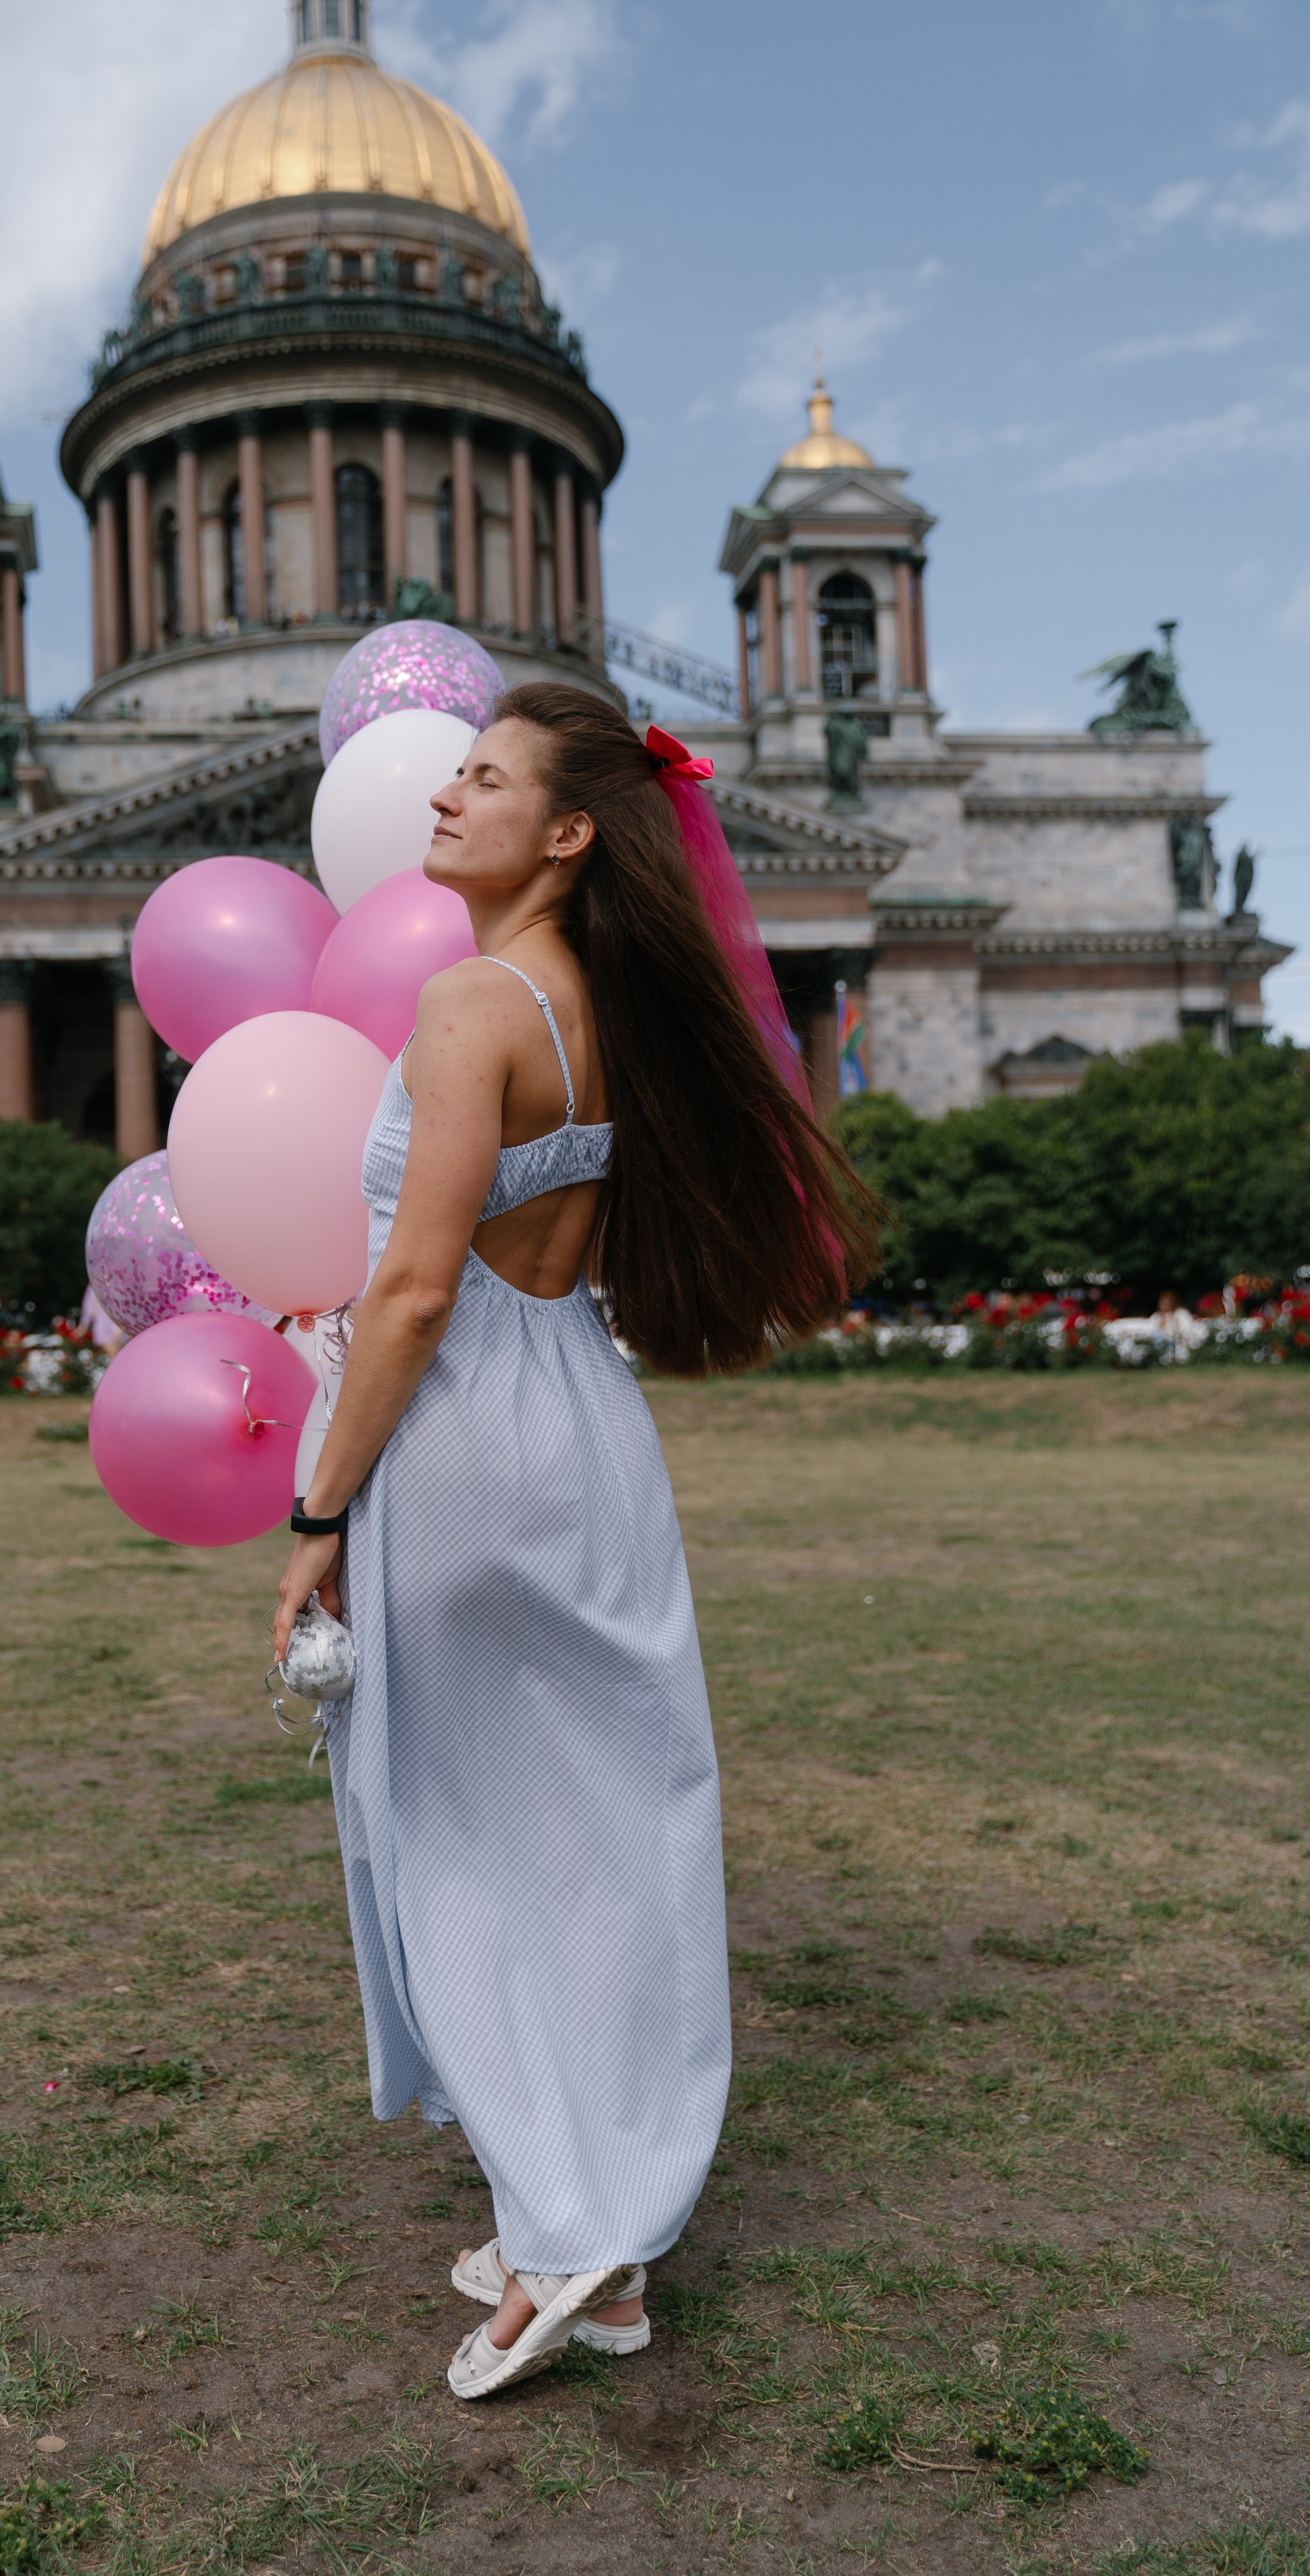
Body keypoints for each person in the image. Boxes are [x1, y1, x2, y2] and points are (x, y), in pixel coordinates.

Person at [274, 684, 878, 2400]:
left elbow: (412, 1292)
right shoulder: (609, 1006)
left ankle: (569, 2235)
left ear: (564, 834)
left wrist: (317, 1512)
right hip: (583, 1423)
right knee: (604, 1835)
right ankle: (588, 2208)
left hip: (463, 1441)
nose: (439, 797)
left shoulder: (472, 1002)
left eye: (480, 779)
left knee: (456, 1839)